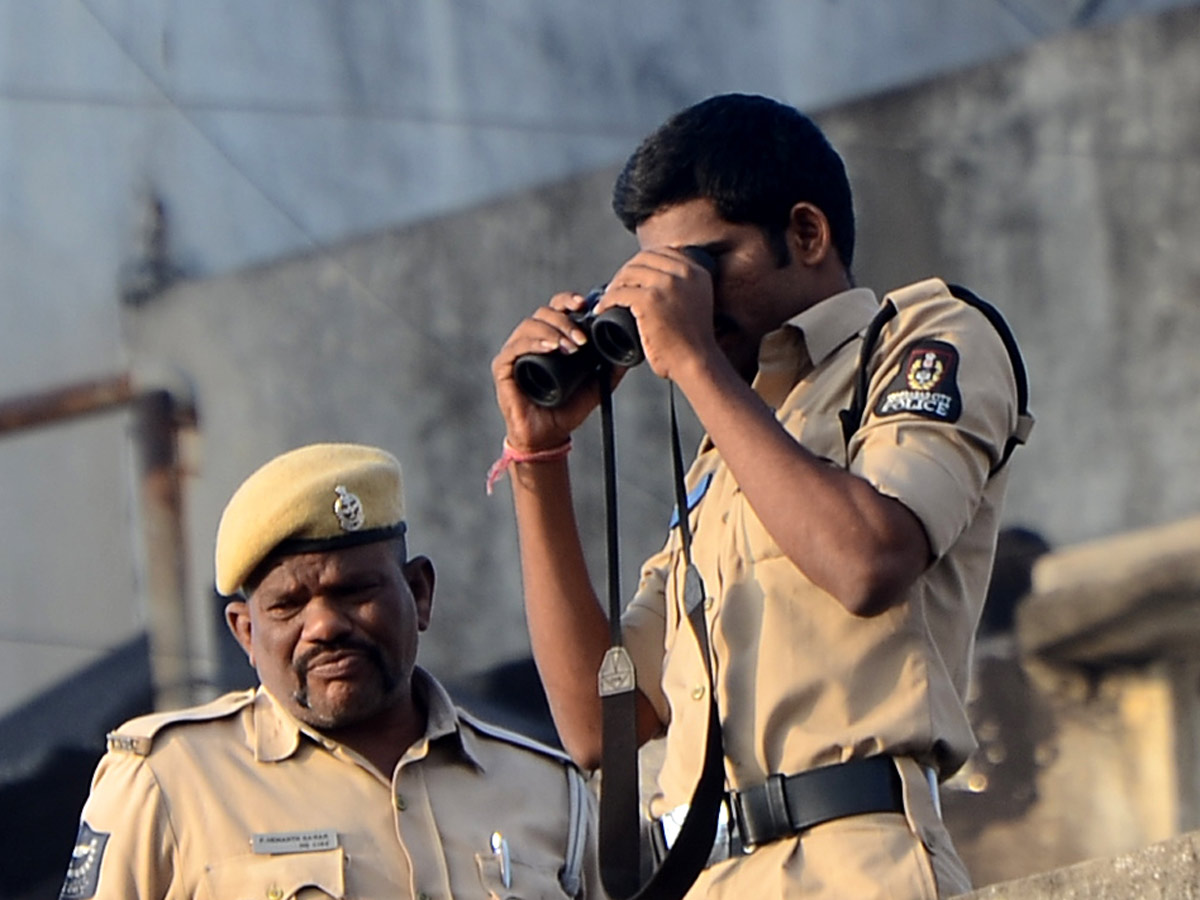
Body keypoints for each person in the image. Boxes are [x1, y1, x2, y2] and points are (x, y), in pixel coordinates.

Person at [489, 93, 1032, 899]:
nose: (682, 302)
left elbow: (869, 560)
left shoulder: (918, 336)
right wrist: (539, 455)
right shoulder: (730, 448)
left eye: (700, 267)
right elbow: (599, 720)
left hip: (856, 862)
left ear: (806, 233)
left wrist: (696, 361)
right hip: (705, 874)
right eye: (658, 276)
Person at [61, 443, 599, 900]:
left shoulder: (550, 792)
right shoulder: (167, 782)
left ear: (419, 592)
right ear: (245, 632)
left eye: (354, 591)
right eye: (288, 605)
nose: (323, 625)